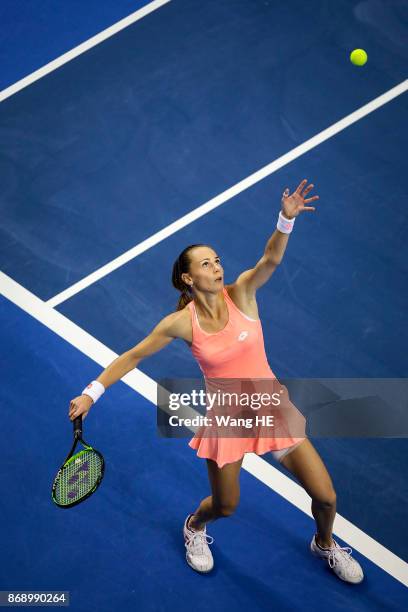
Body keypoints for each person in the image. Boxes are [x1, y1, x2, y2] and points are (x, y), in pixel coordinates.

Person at [68, 179, 364, 584]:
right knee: (225, 507)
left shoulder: (241, 293)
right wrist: (91, 393)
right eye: (205, 263)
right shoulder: (180, 323)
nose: (216, 266)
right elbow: (133, 356)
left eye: (217, 260)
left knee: (326, 497)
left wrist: (285, 220)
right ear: (188, 278)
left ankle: (325, 544)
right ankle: (194, 526)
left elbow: (270, 261)